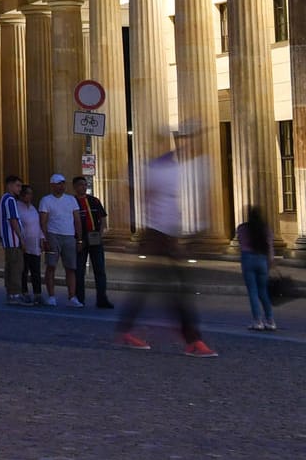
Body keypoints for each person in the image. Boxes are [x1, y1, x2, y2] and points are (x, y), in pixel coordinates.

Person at [117, 133, 216, 356]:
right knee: (175, 289)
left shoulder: (178, 167)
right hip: (158, 236)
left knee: (151, 288)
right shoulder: (161, 168)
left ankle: (126, 330)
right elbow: (147, 198)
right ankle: (191, 339)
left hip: (166, 236)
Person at [37, 173, 83, 307]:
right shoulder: (46, 200)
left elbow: (77, 220)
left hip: (69, 235)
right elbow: (43, 221)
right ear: (52, 185)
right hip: (53, 235)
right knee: (51, 266)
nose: (61, 186)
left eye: (63, 183)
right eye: (58, 183)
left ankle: (72, 296)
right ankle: (52, 296)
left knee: (71, 267)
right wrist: (45, 238)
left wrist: (79, 239)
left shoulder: (71, 200)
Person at [71, 176, 114, 308]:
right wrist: (78, 239)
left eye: (85, 185)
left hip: (95, 237)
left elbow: (102, 218)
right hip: (81, 238)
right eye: (80, 185)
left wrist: (100, 236)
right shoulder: (72, 202)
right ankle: (80, 298)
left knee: (100, 269)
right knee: (79, 270)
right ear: (75, 187)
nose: (83, 187)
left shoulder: (94, 200)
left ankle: (102, 298)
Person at [237, 206, 277, 331]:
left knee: (253, 292)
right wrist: (270, 261)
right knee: (263, 292)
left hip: (248, 259)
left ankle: (257, 321)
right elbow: (270, 247)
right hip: (262, 259)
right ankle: (270, 321)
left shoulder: (242, 228)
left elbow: (240, 242)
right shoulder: (265, 229)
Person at [14, 184, 45, 306]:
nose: (30, 196)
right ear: (22, 195)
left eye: (31, 194)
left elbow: (37, 225)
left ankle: (38, 293)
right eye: (28, 194)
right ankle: (24, 292)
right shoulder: (17, 207)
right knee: (24, 270)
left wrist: (42, 238)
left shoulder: (32, 208)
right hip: (24, 243)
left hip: (35, 243)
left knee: (36, 270)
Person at [0, 175, 25, 305]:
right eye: (17, 185)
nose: (20, 189)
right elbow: (13, 220)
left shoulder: (4, 199)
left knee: (11, 266)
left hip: (8, 240)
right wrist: (21, 238)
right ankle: (15, 293)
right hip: (13, 239)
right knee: (16, 267)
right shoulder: (10, 200)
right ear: (10, 185)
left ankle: (11, 293)